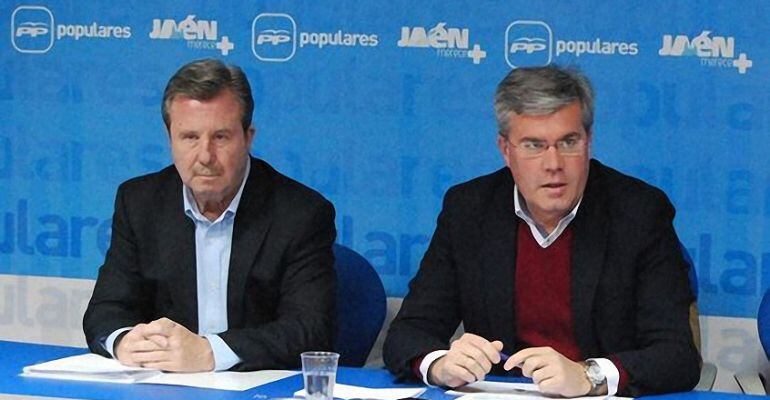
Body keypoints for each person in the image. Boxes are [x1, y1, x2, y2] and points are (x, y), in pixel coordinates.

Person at [383, 65, 700, 397]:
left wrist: (588, 374)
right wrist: (440, 364)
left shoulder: (638, 212)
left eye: (568, 142)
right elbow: (409, 333)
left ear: (588, 142)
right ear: (505, 150)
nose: (554, 164)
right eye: (534, 145)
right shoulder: (469, 210)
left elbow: (677, 356)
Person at [83, 59, 336, 372]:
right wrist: (124, 341)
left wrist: (210, 352)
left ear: (248, 136)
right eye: (189, 137)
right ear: (170, 137)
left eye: (221, 137)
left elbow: (309, 330)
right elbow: (106, 310)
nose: (205, 156)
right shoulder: (140, 202)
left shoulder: (300, 213)